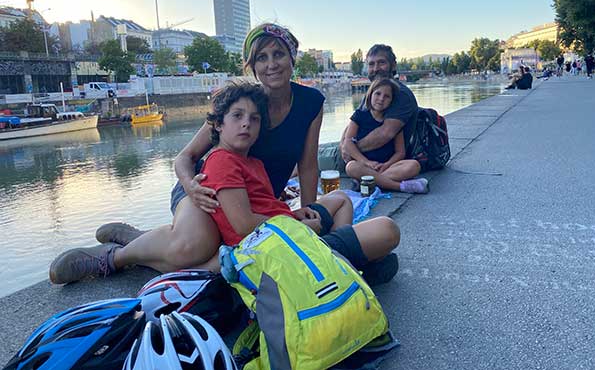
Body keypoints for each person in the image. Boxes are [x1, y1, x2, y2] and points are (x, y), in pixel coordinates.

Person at [48, 23, 399, 285]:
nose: (271, 64)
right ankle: (114, 259)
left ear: (292, 59)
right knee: (194, 246)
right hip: (208, 192)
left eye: (279, 54)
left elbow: (307, 163)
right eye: (261, 57)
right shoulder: (240, 103)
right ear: (251, 65)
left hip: (255, 203)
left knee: (226, 251)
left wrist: (307, 210)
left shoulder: (310, 102)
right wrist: (190, 187)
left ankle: (142, 240)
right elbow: (184, 158)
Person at [198, 82, 399, 283]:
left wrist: (292, 214)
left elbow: (265, 208)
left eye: (255, 118)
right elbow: (243, 225)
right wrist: (300, 226)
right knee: (387, 230)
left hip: (284, 233)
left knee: (340, 198)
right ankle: (340, 266)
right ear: (218, 124)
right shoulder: (222, 160)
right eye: (237, 115)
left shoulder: (252, 162)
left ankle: (336, 265)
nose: (246, 123)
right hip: (272, 248)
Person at [341, 44, 428, 193]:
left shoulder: (400, 94)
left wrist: (351, 149)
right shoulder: (371, 93)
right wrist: (345, 145)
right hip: (357, 157)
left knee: (413, 165)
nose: (376, 68)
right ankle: (389, 184)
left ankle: (367, 180)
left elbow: (385, 134)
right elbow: (351, 127)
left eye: (381, 62)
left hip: (371, 158)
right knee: (310, 154)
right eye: (371, 64)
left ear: (393, 65)